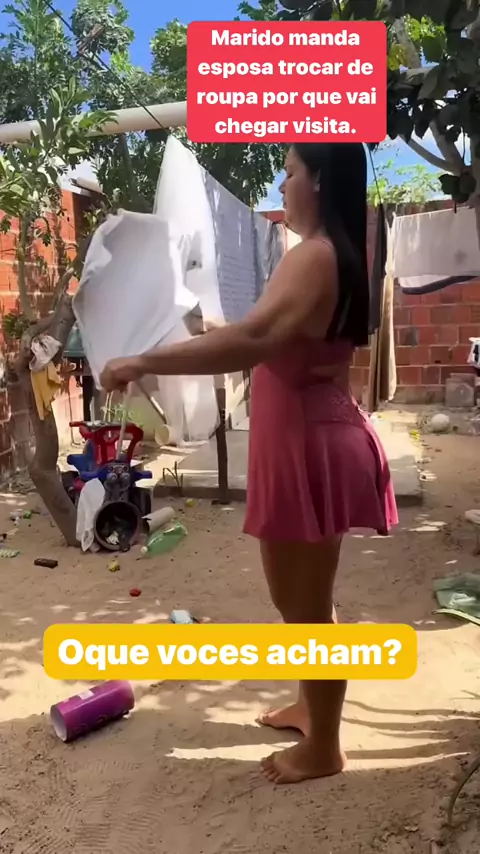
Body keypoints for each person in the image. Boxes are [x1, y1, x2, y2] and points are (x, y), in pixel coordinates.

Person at [100, 143, 398, 785]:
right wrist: (217, 331)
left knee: (306, 608)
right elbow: (273, 333)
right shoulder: (330, 254)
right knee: (302, 601)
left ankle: (324, 748)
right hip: (309, 438)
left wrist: (142, 359)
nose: (281, 187)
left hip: (309, 447)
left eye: (289, 173)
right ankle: (312, 708)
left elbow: (255, 340)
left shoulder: (314, 256)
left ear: (319, 179)